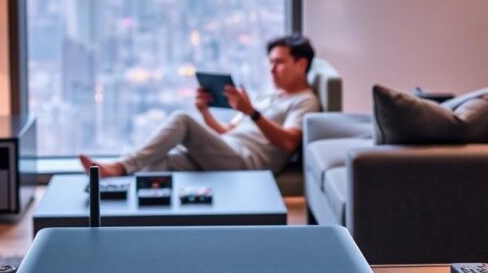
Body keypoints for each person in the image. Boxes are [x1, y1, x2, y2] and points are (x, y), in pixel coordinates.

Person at [79, 35, 320, 178]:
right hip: (227, 149)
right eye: (270, 62)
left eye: (279, 63)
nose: (271, 69)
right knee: (159, 162)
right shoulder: (270, 94)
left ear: (301, 64)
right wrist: (205, 113)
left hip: (247, 163)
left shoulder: (305, 101)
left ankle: (120, 167)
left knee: (182, 120)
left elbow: (289, 141)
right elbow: (227, 132)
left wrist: (252, 112)